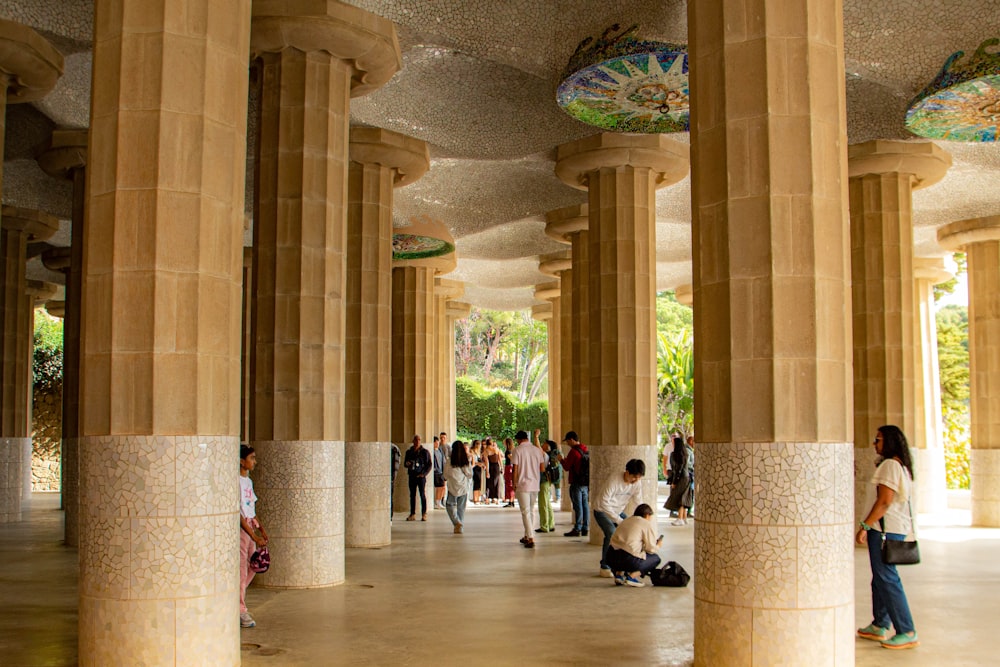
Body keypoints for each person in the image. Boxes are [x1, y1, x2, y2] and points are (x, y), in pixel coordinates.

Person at [856, 425, 920, 650]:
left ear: (890, 442)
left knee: (888, 578)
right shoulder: (899, 466)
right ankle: (880, 624)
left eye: (878, 440)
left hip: (884, 530)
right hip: (890, 529)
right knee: (880, 578)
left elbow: (884, 502)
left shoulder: (890, 465)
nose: (875, 444)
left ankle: (907, 630)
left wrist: (865, 525)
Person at [592, 459, 645, 577]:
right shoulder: (614, 480)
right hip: (602, 510)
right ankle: (605, 567)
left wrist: (643, 518)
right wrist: (619, 520)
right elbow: (604, 502)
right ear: (627, 472)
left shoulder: (637, 482)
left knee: (629, 532)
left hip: (618, 511)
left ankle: (622, 565)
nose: (636, 480)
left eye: (639, 477)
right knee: (611, 532)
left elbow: (638, 501)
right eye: (634, 477)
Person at [239, 444, 269, 628]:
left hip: (251, 527)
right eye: (251, 458)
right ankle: (241, 610)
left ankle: (239, 600)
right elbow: (239, 514)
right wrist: (252, 535)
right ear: (242, 461)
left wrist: (261, 529)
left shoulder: (248, 481)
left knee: (254, 565)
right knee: (242, 569)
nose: (254, 462)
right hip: (243, 531)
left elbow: (251, 508)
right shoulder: (236, 481)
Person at [606, 503, 662, 587]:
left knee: (622, 548)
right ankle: (631, 577)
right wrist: (658, 545)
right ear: (647, 515)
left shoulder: (625, 520)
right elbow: (650, 549)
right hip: (628, 560)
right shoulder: (645, 523)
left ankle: (618, 575)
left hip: (611, 558)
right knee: (655, 558)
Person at [510, 429, 547, 548]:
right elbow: (542, 468)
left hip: (523, 484)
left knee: (525, 511)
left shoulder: (517, 450)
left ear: (519, 440)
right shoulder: (537, 450)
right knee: (531, 510)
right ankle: (527, 535)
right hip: (535, 483)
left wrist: (514, 482)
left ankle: (531, 537)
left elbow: (515, 469)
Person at [558, 431, 590, 536]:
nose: (567, 443)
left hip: (576, 482)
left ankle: (577, 528)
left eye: (567, 441)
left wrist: (561, 460)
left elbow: (567, 467)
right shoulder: (585, 449)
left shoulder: (573, 452)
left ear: (571, 439)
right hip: (585, 482)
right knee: (585, 505)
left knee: (578, 506)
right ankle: (585, 527)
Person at [444, 440, 474, 534]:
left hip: (452, 487)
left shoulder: (449, 461)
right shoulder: (465, 461)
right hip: (463, 487)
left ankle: (456, 522)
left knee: (449, 505)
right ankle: (460, 526)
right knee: (461, 508)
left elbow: (445, 475)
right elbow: (469, 474)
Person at [663, 436, 693, 525]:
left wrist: (674, 482)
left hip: (680, 478)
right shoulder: (685, 454)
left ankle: (680, 518)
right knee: (684, 497)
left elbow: (677, 469)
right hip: (687, 477)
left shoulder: (674, 454)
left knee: (678, 497)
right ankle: (683, 518)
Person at [536, 431, 559, 533]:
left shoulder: (544, 454)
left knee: (543, 504)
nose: (543, 444)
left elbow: (537, 446)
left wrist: (536, 436)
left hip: (543, 481)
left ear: (548, 447)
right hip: (547, 481)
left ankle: (544, 526)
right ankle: (551, 524)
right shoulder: (549, 456)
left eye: (545, 443)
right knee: (547, 503)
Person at [404, 435, 432, 521]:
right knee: (412, 495)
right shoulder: (409, 452)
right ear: (413, 441)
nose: (417, 441)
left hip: (421, 476)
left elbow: (429, 464)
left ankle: (424, 513)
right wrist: (408, 464)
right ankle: (412, 514)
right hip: (412, 476)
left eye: (419, 440)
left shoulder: (425, 452)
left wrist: (424, 474)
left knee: (422, 494)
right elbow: (405, 464)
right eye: (416, 440)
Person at [485, 438, 503, 504]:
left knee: (489, 482)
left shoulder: (486, 451)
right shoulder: (497, 449)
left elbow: (487, 462)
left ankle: (487, 498)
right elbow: (500, 460)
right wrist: (502, 468)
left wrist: (487, 472)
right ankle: (496, 498)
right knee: (496, 482)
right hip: (496, 466)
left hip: (490, 466)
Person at [433, 436, 447, 509]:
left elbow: (443, 460)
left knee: (443, 487)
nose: (437, 444)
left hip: (441, 471)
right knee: (439, 487)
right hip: (436, 472)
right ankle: (437, 502)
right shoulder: (432, 451)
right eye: (436, 442)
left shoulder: (440, 450)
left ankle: (439, 501)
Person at [503, 438, 516, 507]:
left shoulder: (508, 451)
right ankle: (511, 500)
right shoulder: (512, 450)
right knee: (510, 483)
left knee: (509, 483)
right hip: (510, 467)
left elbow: (512, 458)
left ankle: (511, 500)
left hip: (508, 467)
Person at [390, 442, 401, 519]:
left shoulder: (393, 449)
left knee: (390, 498)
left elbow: (395, 465)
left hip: (390, 478)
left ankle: (390, 517)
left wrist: (393, 478)